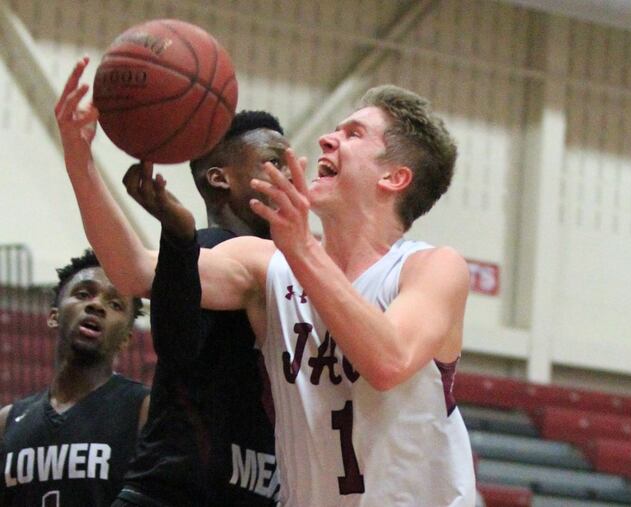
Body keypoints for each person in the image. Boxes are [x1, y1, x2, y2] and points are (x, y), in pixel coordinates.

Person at [58, 55, 476, 506]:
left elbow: (388, 361)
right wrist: (80, 162)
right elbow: (134, 270)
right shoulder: (269, 264)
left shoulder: (432, 268)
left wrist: (301, 248)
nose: (326, 139)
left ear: (395, 178)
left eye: (353, 134)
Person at [55, 59, 283, 507]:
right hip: (177, 493)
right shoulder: (219, 251)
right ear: (220, 178)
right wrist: (80, 161)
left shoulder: (304, 269)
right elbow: (136, 274)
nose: (291, 171)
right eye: (275, 161)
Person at [0, 250, 149, 507]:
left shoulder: (145, 409)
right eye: (83, 294)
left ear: (126, 338)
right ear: (53, 316)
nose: (96, 305)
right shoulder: (7, 422)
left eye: (115, 304)